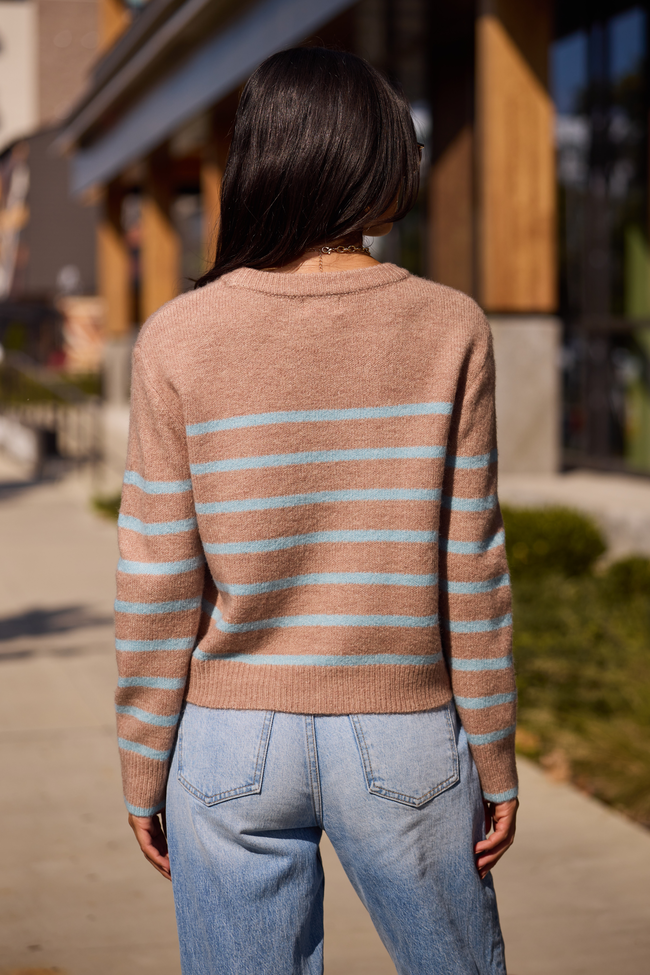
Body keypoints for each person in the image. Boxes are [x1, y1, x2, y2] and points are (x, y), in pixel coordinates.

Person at [114, 46, 518, 975]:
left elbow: (157, 574)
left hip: (228, 741)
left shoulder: (177, 334)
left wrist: (143, 763)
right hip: (406, 730)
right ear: (381, 162)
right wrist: (493, 753)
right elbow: (474, 564)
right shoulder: (449, 324)